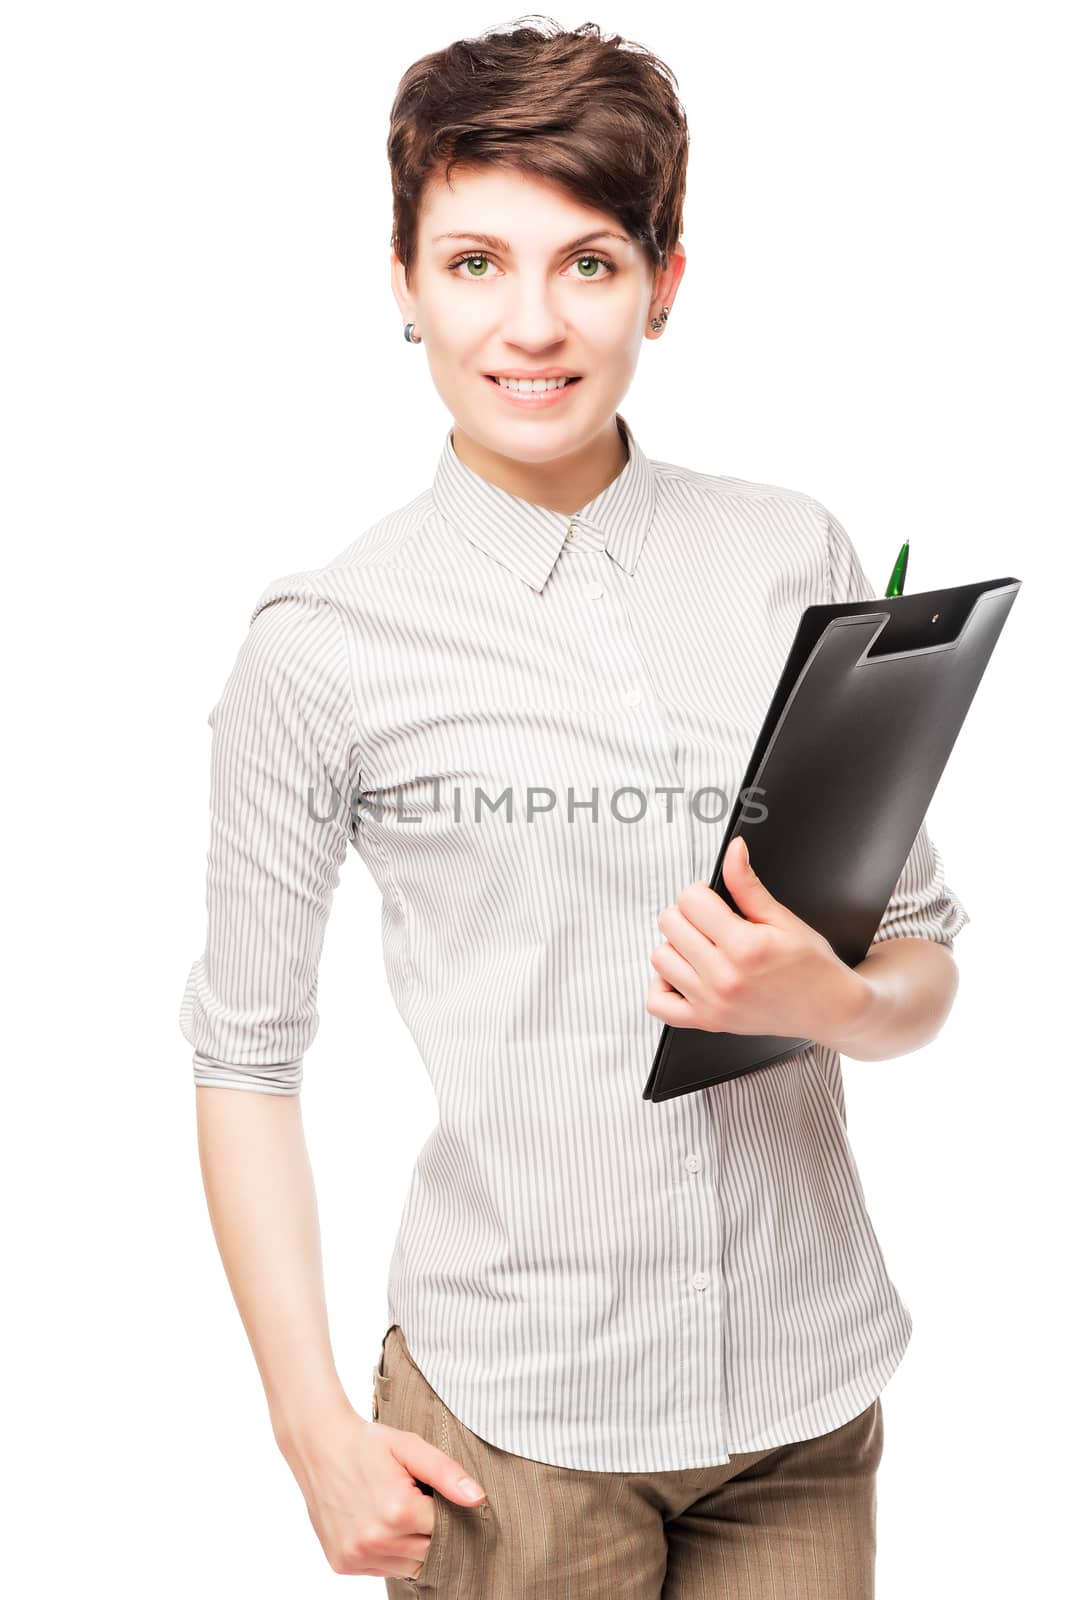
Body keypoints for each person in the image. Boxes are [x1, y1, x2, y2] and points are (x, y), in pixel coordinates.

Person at [179, 17, 969, 1597]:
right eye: (474, 262)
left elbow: (920, 955)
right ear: (400, 281)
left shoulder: (789, 553)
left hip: (807, 1399)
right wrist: (309, 1426)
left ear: (664, 281)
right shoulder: (323, 647)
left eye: (589, 263)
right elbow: (244, 1056)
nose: (529, 324)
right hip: (514, 1431)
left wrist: (837, 999)